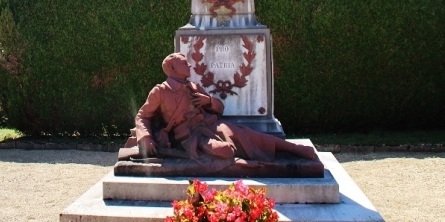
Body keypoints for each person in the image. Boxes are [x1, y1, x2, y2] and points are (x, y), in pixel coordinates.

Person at [135, 53, 316, 164]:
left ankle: (296, 150)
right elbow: (143, 116)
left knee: (249, 135)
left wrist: (208, 101)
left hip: (212, 125)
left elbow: (219, 109)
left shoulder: (194, 87)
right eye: (184, 63)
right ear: (172, 68)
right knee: (226, 151)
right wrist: (146, 137)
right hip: (190, 137)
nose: (189, 65)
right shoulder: (160, 91)